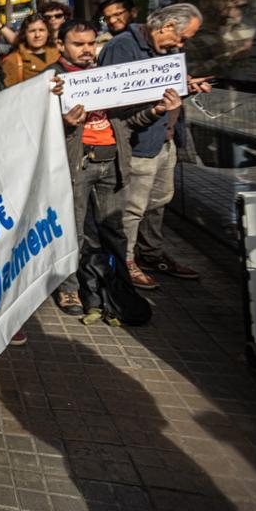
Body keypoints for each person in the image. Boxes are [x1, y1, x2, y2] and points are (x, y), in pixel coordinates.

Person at [47, 20, 178, 322]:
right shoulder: (51, 80)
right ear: (61, 46)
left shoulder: (105, 76)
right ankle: (70, 288)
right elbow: (36, 128)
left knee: (114, 231)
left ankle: (117, 288)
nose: (86, 50)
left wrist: (156, 111)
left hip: (112, 164)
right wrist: (63, 122)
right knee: (74, 232)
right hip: (77, 166)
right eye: (78, 44)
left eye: (90, 43)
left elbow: (128, 123)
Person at [98, 4, 210, 289]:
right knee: (133, 208)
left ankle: (151, 253)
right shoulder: (122, 46)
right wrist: (154, 100)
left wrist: (186, 86)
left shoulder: (169, 53)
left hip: (164, 139)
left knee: (158, 203)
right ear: (168, 26)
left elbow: (169, 89)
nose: (182, 45)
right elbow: (111, 98)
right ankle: (126, 261)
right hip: (138, 143)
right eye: (182, 37)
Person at [1, 12, 60, 86]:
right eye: (32, 31)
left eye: (41, 30)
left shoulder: (58, 53)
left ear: (48, 33)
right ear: (24, 34)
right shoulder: (13, 60)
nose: (37, 35)